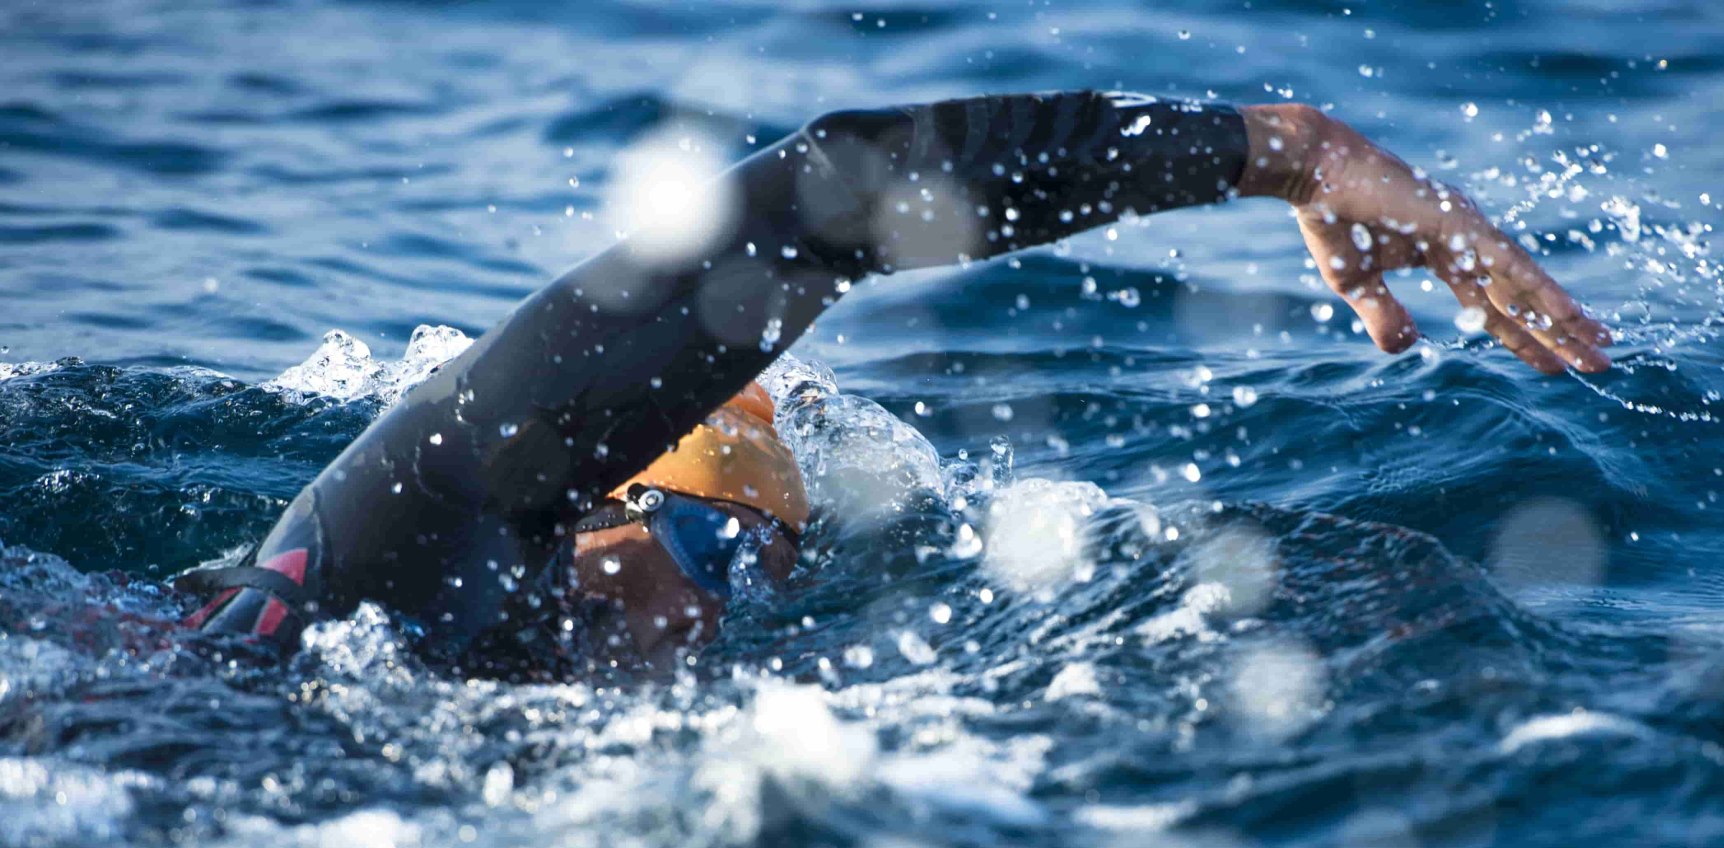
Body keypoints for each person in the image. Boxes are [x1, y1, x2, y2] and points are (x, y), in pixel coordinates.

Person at [176, 92, 1612, 670]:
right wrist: (1278, 148)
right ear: (594, 496)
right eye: (705, 540)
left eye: (760, 575)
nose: (708, 611)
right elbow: (823, 197)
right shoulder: (434, 515)